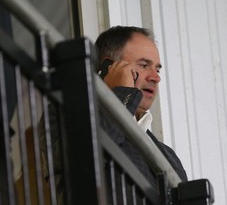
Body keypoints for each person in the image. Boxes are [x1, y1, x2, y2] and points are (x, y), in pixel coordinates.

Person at [39, 26, 187, 204]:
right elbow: (83, 158)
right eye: (144, 65)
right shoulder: (62, 112)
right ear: (108, 67)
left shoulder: (168, 156)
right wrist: (121, 94)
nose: (155, 77)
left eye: (157, 69)